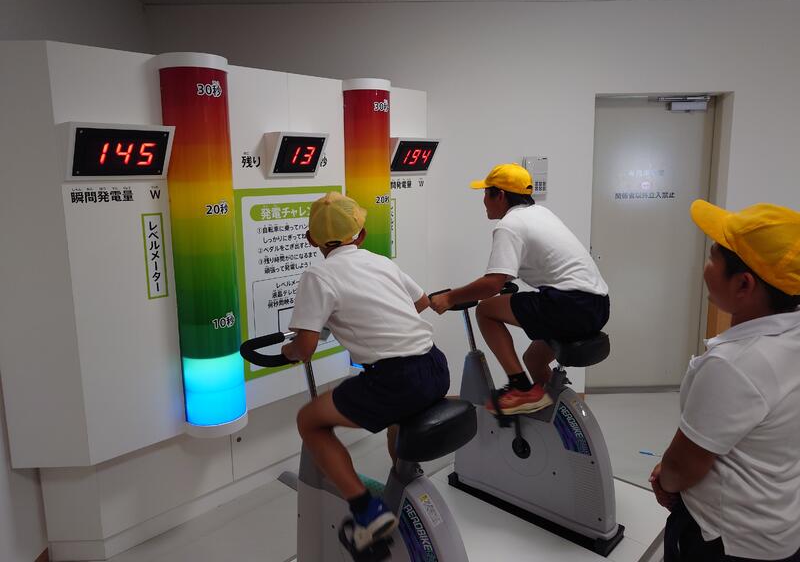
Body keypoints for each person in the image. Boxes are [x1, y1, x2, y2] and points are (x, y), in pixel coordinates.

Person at [280, 191, 450, 553]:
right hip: (435, 366)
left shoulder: (318, 275)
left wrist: (288, 350)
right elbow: (421, 303)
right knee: (397, 420)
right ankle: (404, 486)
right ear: (361, 234)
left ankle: (365, 510)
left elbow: (305, 348)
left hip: (395, 380)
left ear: (310, 239)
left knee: (310, 421)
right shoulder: (381, 262)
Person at [650, 200, 800, 561]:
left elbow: (682, 467)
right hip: (777, 527)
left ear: (744, 284)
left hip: (725, 541)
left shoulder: (734, 364)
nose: (705, 266)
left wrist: (665, 478)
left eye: (712, 256)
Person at [430, 163, 609, 414]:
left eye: (486, 193)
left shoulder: (509, 225)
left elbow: (492, 284)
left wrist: (449, 297)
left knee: (485, 311)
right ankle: (553, 415)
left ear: (500, 195)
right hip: (598, 305)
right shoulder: (541, 213)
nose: (483, 200)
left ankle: (521, 388)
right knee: (533, 360)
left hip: (570, 305)